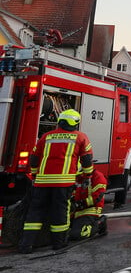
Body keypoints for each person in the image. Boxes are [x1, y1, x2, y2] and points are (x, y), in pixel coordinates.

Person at [19, 108, 94, 253]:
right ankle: (58, 244)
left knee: (35, 212)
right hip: (63, 183)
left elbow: (34, 159)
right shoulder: (80, 137)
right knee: (60, 212)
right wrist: (87, 176)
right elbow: (86, 160)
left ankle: (26, 245)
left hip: (41, 183)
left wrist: (35, 175)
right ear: (76, 123)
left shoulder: (46, 136)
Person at [69, 167, 109, 240]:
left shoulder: (97, 176)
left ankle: (100, 223)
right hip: (75, 211)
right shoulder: (76, 177)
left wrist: (79, 204)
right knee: (61, 232)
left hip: (90, 210)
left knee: (78, 234)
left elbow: (97, 198)